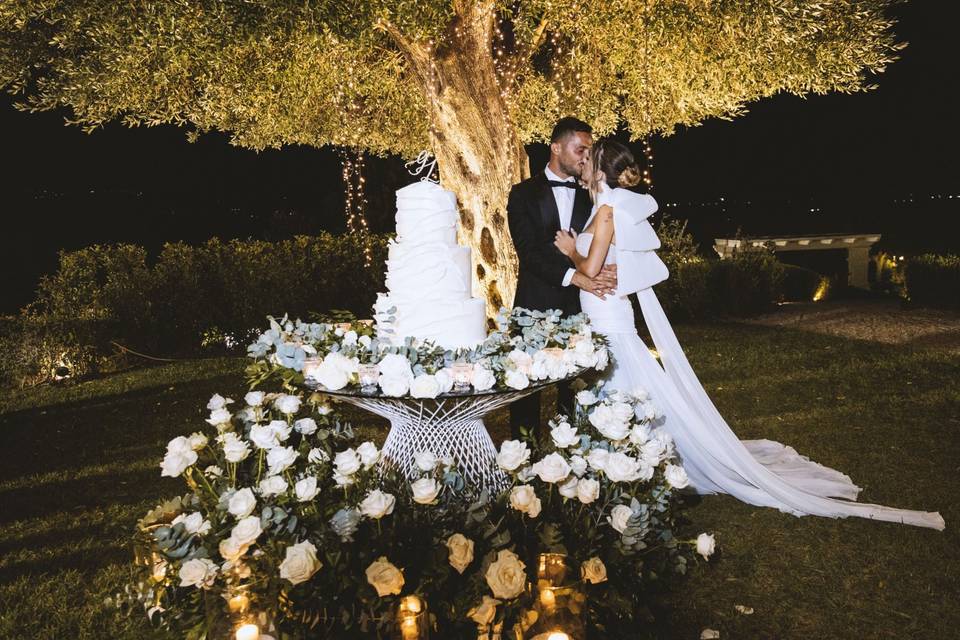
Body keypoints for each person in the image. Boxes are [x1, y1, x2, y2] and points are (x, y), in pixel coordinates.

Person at [553, 138, 944, 530]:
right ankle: (617, 462)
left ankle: (625, 463)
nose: (583, 162)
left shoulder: (606, 212)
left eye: (589, 158)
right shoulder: (603, 209)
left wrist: (571, 251)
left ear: (600, 169)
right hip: (603, 314)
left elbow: (590, 267)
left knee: (621, 388)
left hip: (610, 319)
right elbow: (605, 267)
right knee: (622, 391)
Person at [506, 117, 618, 438]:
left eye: (589, 150)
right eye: (579, 148)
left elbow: (607, 241)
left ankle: (570, 461)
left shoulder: (593, 198)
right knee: (526, 391)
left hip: (580, 309)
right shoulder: (522, 194)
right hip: (533, 306)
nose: (586, 156)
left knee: (575, 392)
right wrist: (577, 276)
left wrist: (611, 267)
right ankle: (522, 463)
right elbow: (529, 252)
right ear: (555, 147)